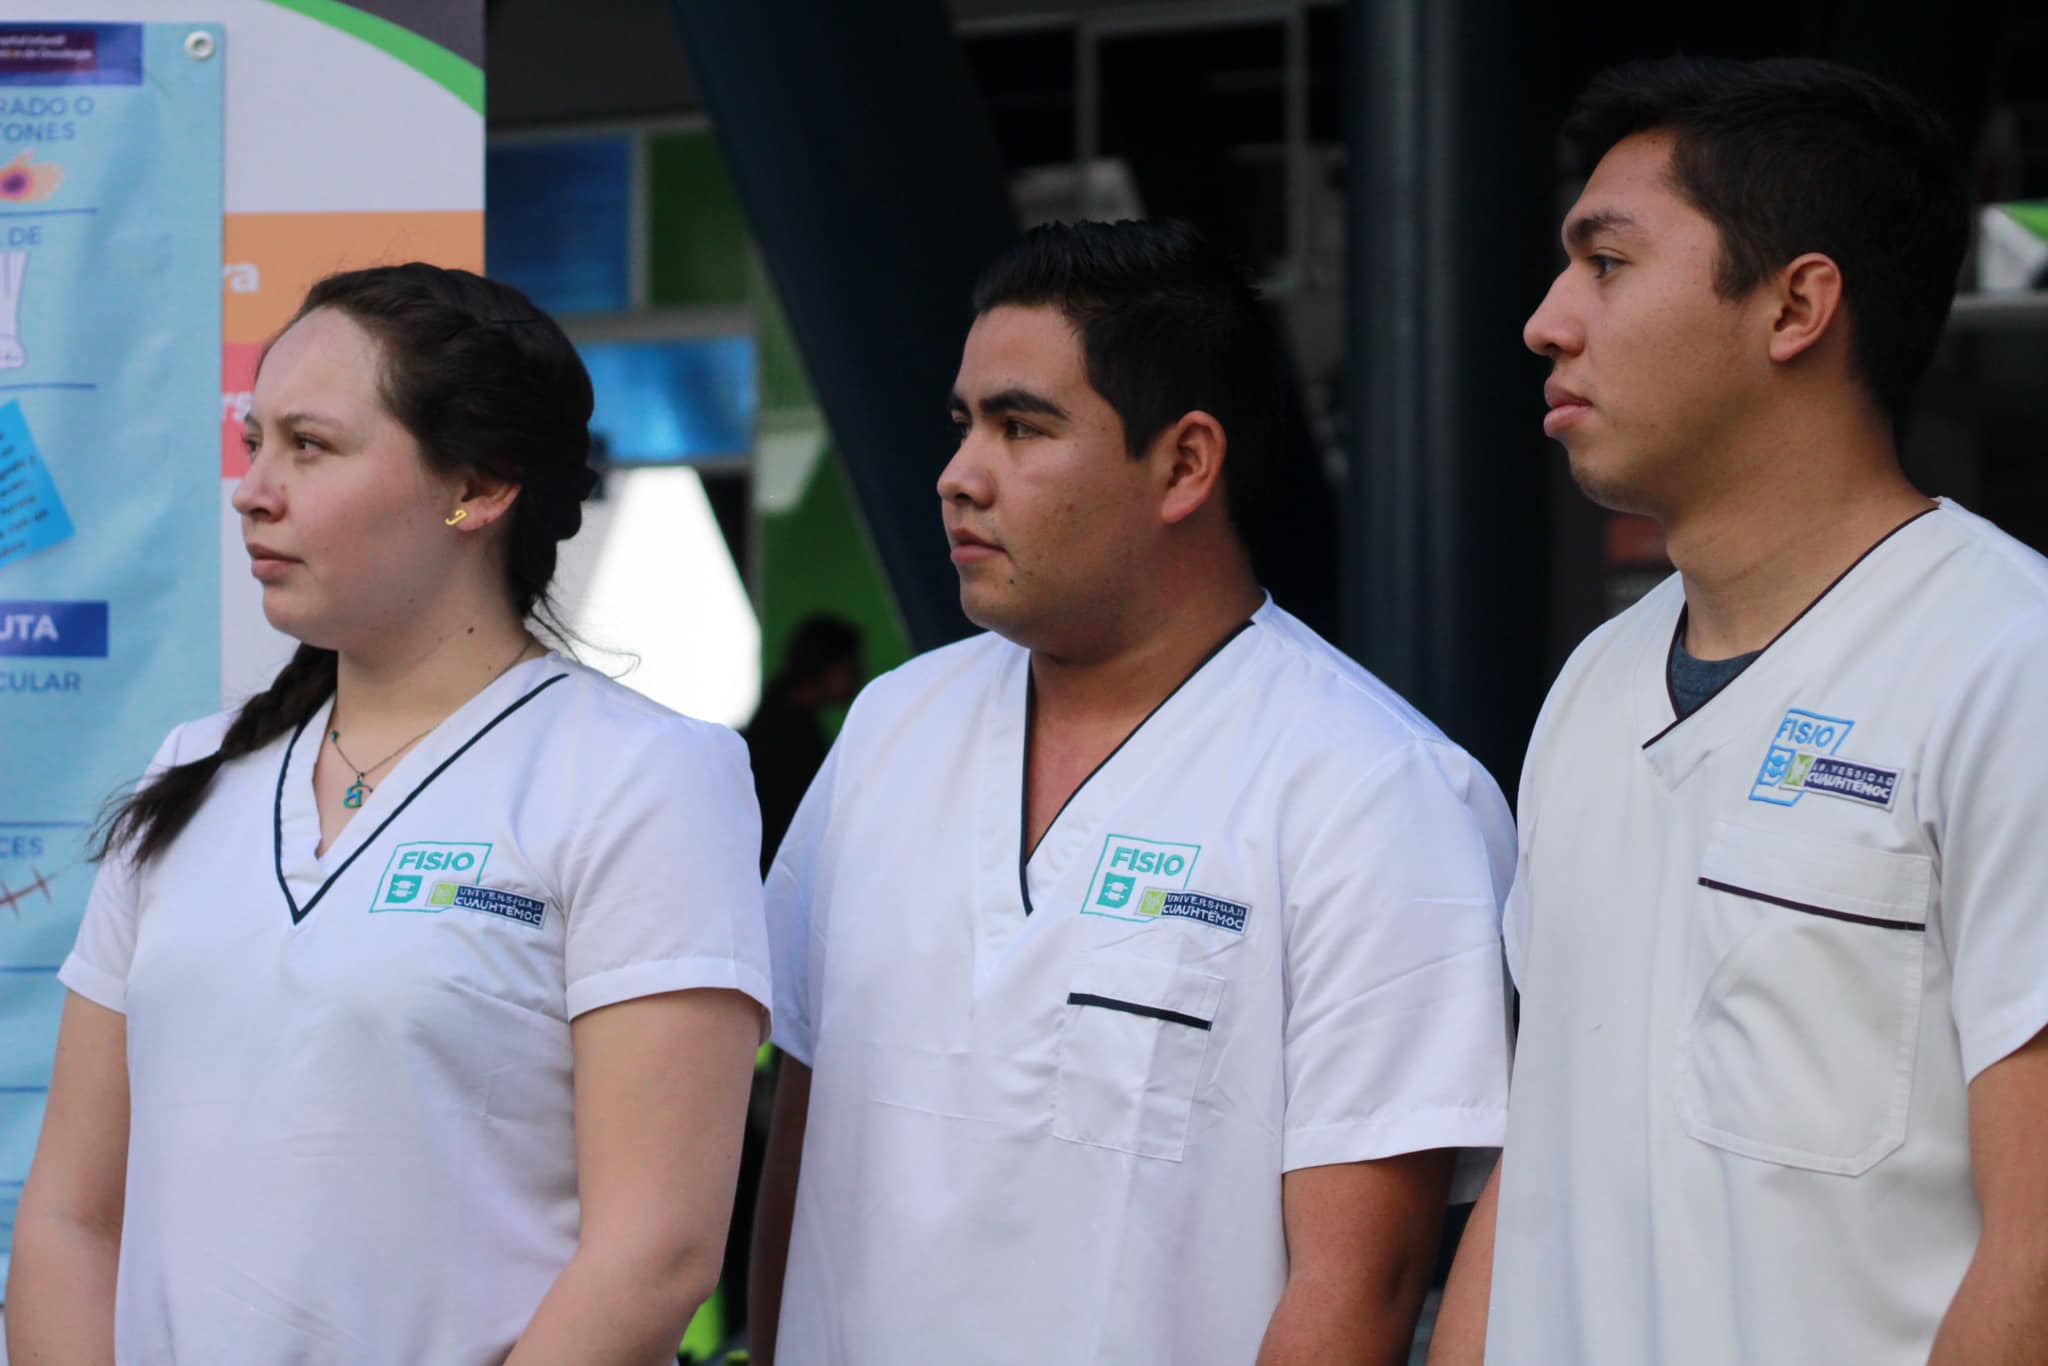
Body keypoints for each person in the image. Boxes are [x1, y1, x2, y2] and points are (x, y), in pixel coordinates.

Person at [748, 219, 1517, 1365]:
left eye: (1022, 426)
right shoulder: (885, 731)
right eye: (963, 424)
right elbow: (800, 1138)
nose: (959, 473)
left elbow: (1361, 1282)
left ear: (1184, 464)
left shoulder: (1375, 790)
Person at [4, 264, 771, 1366]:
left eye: (309, 447)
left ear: (480, 485)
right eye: (255, 439)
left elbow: (651, 1254)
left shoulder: (641, 776)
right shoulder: (194, 772)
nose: (253, 488)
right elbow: (76, 1213)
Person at [1429, 58, 2048, 1366]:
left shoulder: (2006, 662)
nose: (1546, 320)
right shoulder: (1594, 686)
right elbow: (1539, 1163)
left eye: (1605, 262)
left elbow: (2038, 1252)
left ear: (1796, 305)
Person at [743, 614, 864, 875]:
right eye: (852, 665)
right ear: (829, 666)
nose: (860, 675)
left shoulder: (776, 716)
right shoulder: (792, 736)